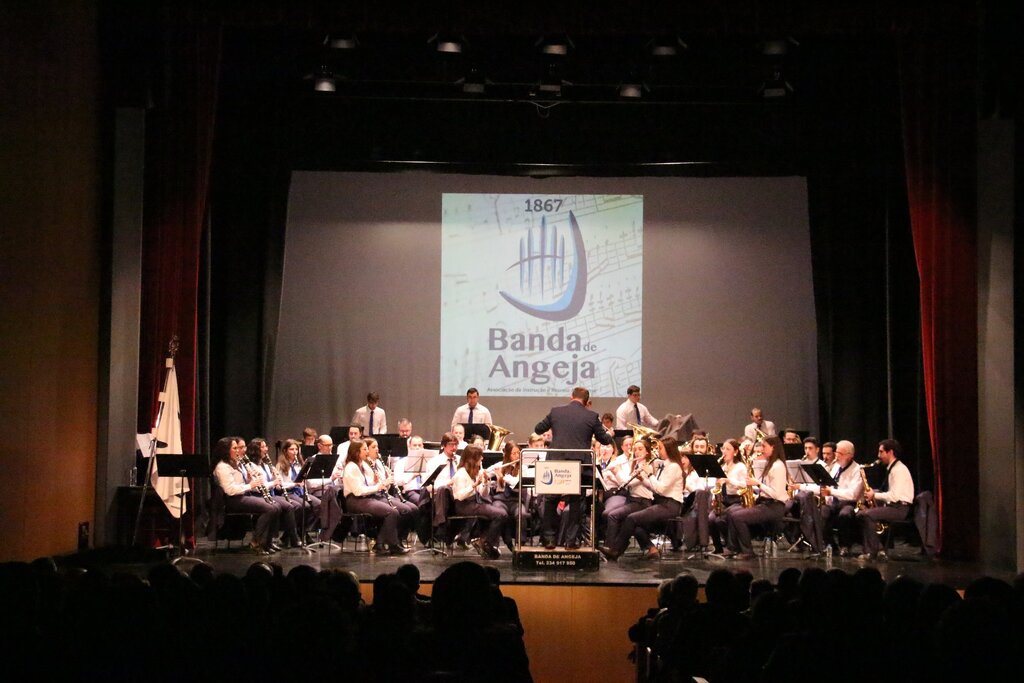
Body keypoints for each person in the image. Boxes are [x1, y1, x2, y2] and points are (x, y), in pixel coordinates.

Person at [534, 387, 613, 549]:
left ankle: (549, 539)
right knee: (576, 501)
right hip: (579, 465)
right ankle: (571, 541)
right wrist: (609, 433)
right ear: (587, 401)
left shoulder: (556, 412)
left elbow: (538, 429)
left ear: (571, 397)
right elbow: (604, 440)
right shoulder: (592, 416)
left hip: (556, 462)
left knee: (550, 499)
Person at [600, 436, 686, 561]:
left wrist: (649, 474)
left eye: (661, 448)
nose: (658, 451)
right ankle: (651, 549)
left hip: (670, 506)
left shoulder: (673, 467)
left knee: (631, 518)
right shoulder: (666, 465)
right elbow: (654, 488)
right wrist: (642, 479)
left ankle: (616, 550)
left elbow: (661, 489)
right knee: (635, 524)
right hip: (663, 503)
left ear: (669, 449)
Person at [211, 436, 281, 554]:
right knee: (269, 508)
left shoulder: (237, 463)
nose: (238, 451)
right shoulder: (222, 467)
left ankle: (267, 543)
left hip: (242, 496)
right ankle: (256, 542)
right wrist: (251, 485)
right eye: (235, 448)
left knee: (276, 506)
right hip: (231, 501)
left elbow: (241, 483)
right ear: (226, 450)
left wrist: (249, 479)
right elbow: (230, 490)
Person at [723, 435, 789, 559]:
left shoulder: (778, 466)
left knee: (738, 517)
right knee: (731, 513)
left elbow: (776, 494)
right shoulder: (770, 464)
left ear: (773, 447)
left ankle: (747, 551)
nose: (761, 449)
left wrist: (758, 484)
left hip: (774, 506)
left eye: (764, 446)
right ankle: (732, 548)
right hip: (765, 503)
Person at [341, 439, 407, 555]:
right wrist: (378, 486)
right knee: (392, 512)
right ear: (357, 452)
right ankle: (391, 544)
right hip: (355, 501)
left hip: (366, 497)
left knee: (396, 511)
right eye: (365, 449)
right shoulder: (351, 467)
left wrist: (382, 482)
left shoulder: (363, 465)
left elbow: (370, 483)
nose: (367, 451)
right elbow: (358, 491)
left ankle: (380, 543)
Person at [857, 438, 914, 560]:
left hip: (900, 508)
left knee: (868, 515)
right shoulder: (893, 468)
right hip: (894, 506)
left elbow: (895, 496)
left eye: (881, 452)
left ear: (890, 452)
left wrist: (875, 495)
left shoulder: (898, 470)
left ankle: (873, 551)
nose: (878, 456)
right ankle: (878, 549)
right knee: (862, 514)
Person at [450, 444, 508, 559]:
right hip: (464, 505)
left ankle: (483, 540)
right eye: (480, 457)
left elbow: (483, 494)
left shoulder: (475, 471)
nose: (482, 459)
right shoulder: (461, 474)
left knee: (500, 513)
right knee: (501, 514)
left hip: (474, 502)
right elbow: (459, 496)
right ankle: (484, 542)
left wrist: (485, 482)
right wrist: (474, 485)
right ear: (472, 458)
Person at [365, 436, 419, 546]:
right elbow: (371, 485)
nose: (377, 449)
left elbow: (386, 487)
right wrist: (385, 482)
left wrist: (388, 480)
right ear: (366, 449)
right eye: (373, 447)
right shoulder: (365, 465)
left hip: (382, 495)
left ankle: (399, 538)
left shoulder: (379, 463)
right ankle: (391, 541)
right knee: (403, 510)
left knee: (413, 509)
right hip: (373, 496)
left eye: (377, 446)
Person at [247, 438, 300, 548]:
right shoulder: (251, 466)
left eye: (266, 446)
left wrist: (276, 478)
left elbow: (273, 483)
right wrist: (273, 482)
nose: (266, 449)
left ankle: (270, 541)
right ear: (255, 450)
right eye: (263, 447)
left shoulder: (265, 465)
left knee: (290, 506)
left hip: (270, 494)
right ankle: (285, 540)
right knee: (284, 507)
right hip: (258, 495)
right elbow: (258, 487)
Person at [816, 439, 863, 556]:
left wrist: (831, 491)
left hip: (850, 503)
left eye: (840, 454)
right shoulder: (837, 466)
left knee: (844, 515)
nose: (836, 456)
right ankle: (830, 545)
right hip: (835, 502)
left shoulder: (858, 470)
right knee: (822, 511)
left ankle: (845, 546)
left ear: (849, 456)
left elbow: (853, 494)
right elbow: (829, 483)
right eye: (836, 452)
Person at [275, 438, 321, 534]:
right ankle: (292, 533)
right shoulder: (281, 465)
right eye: (291, 449)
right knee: (305, 506)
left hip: (300, 492)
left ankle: (304, 531)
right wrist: (294, 484)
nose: (294, 452)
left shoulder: (300, 464)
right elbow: (278, 485)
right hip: (287, 493)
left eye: (296, 449)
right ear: (285, 451)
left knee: (318, 504)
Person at [709, 438, 747, 553]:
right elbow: (717, 486)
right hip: (723, 500)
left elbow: (745, 485)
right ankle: (718, 547)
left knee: (722, 519)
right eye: (723, 448)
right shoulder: (722, 467)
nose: (724, 451)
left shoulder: (740, 467)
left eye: (728, 449)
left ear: (735, 452)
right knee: (711, 519)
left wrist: (729, 481)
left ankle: (732, 546)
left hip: (736, 500)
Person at [492, 440, 527, 551]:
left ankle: (520, 545)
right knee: (500, 513)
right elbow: (486, 472)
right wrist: (486, 474)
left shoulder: (523, 468)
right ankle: (496, 544)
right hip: (501, 499)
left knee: (521, 514)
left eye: (518, 453)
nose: (517, 456)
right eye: (514, 453)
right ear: (507, 455)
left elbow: (515, 483)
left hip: (516, 500)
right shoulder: (500, 465)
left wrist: (502, 476)